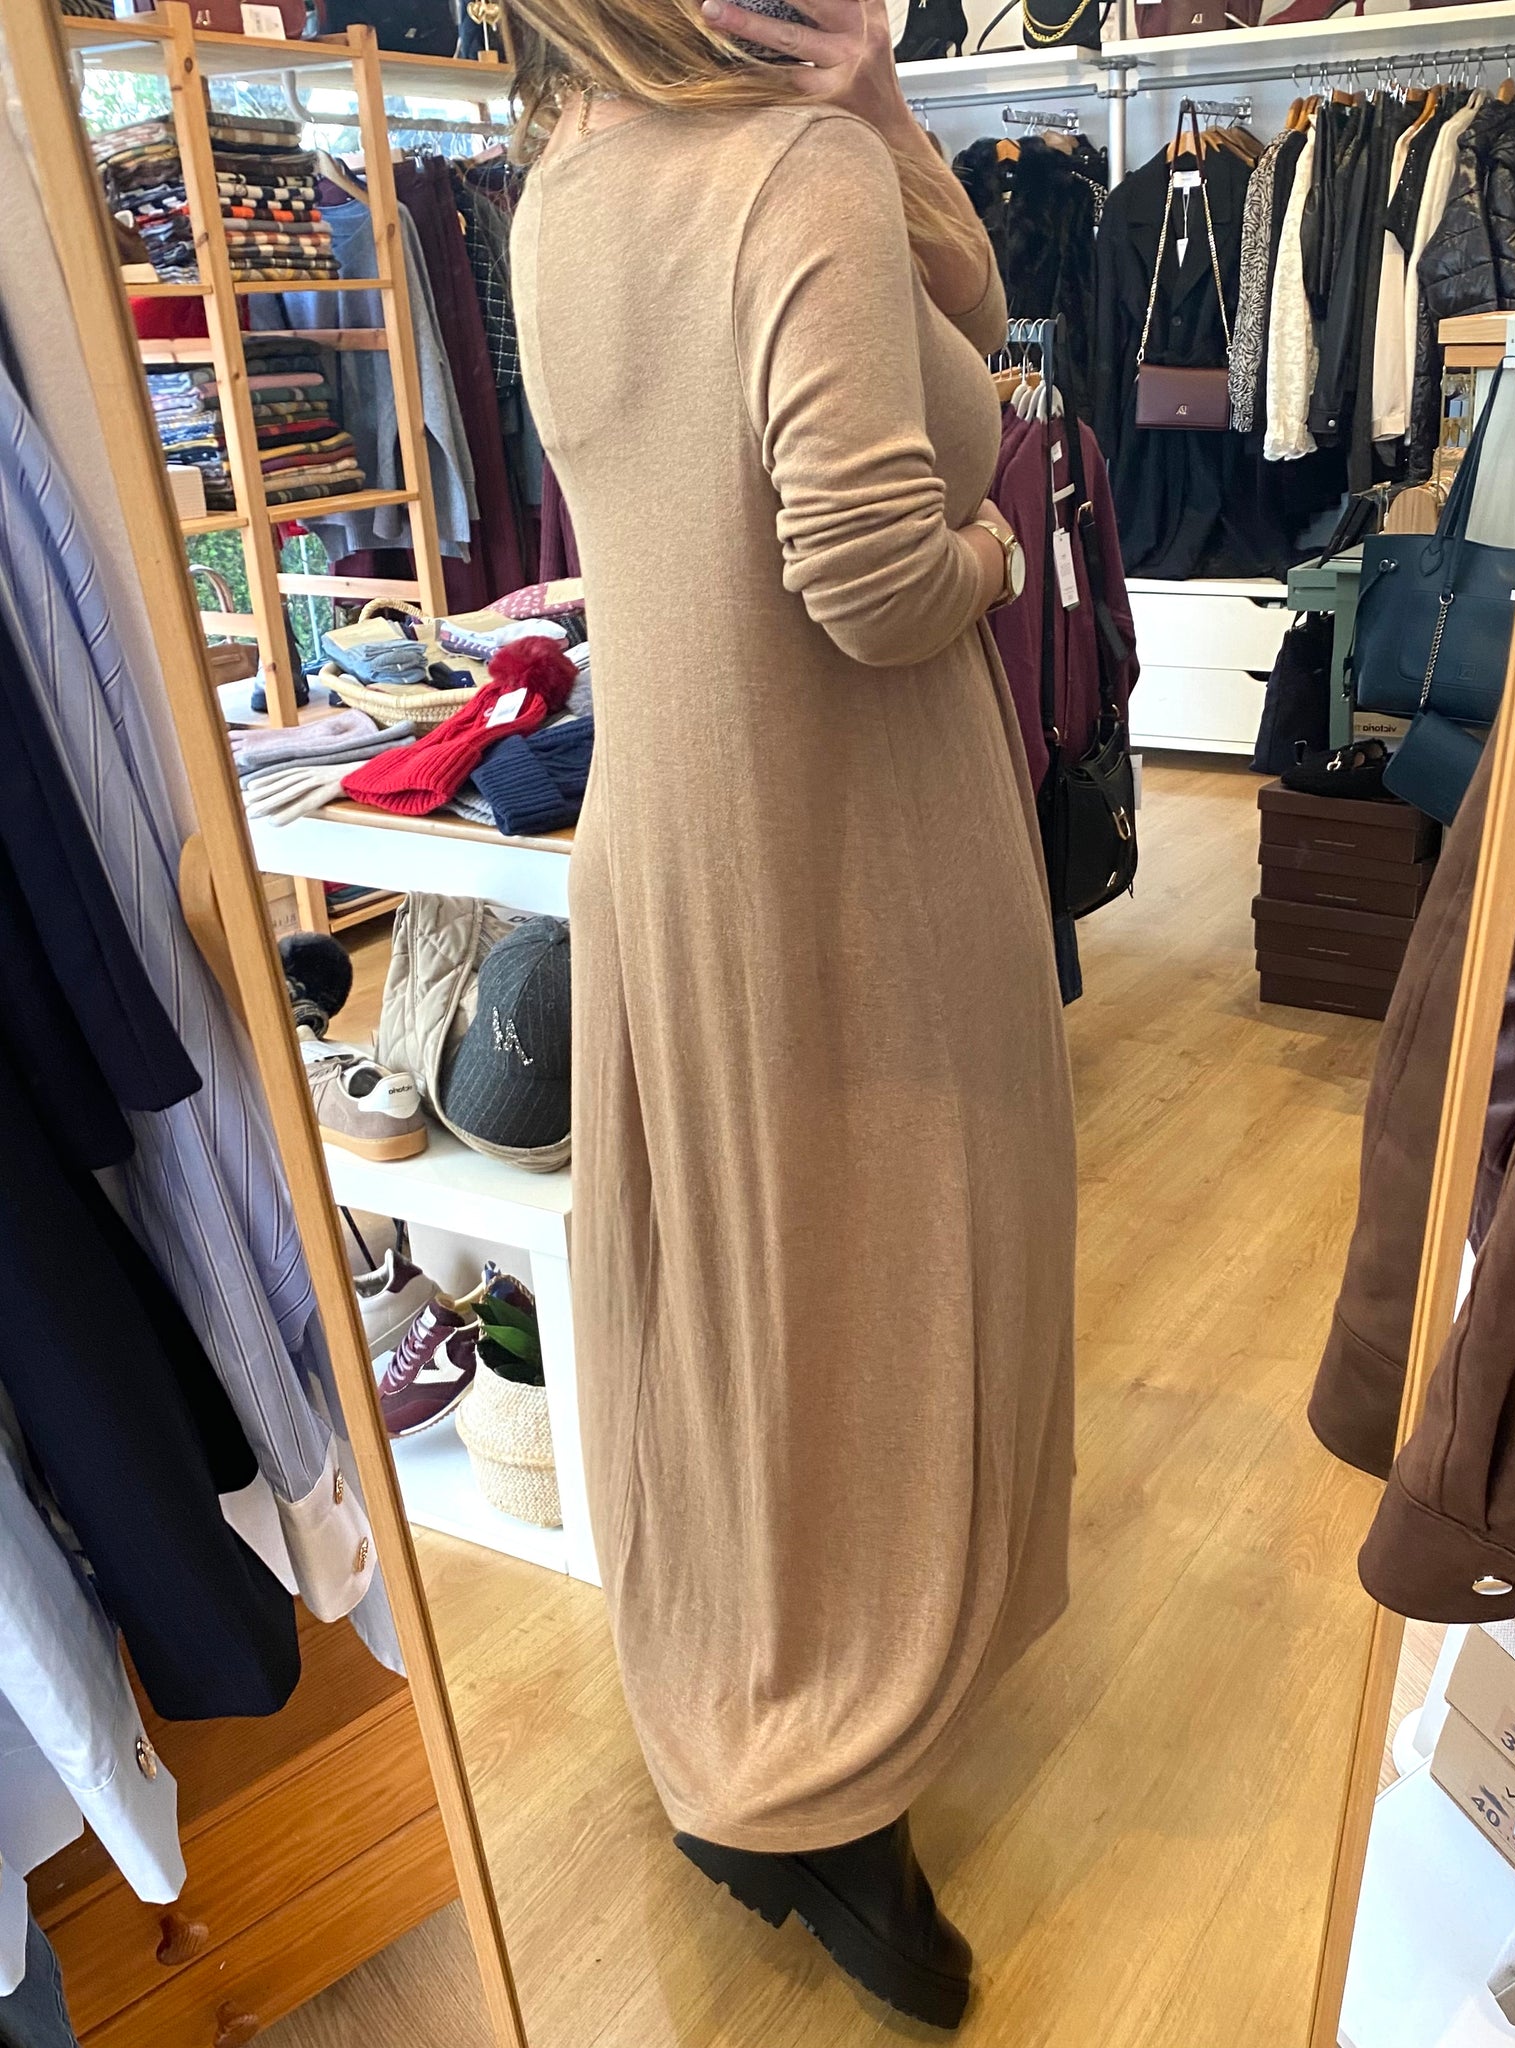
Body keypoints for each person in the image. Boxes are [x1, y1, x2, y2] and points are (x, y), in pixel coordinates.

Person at [506, 0, 1077, 2024]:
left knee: (738, 1310)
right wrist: (999, 550)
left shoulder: (560, 179)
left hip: (668, 838)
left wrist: (881, 102)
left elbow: (956, 310)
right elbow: (874, 575)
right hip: (853, 856)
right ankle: (830, 1769)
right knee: (897, 1283)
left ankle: (749, 1717)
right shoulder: (793, 174)